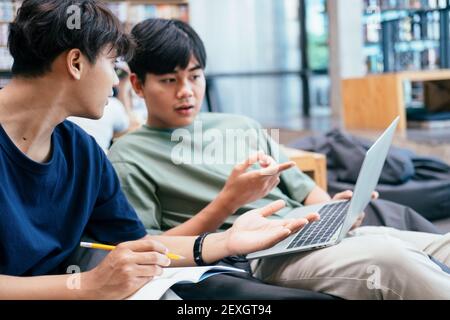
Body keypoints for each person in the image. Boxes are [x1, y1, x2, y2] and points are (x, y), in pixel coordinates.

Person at [108, 18, 450, 300]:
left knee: (442, 246)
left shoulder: (239, 125)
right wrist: (229, 201)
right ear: (137, 85)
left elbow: (303, 190)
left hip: (313, 233)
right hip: (258, 256)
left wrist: (337, 210)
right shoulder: (129, 156)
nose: (186, 91)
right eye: (169, 80)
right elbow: (149, 248)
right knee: (392, 262)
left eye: (195, 76)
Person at [0, 0, 318, 300]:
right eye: (113, 65)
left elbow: (138, 245)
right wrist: (86, 285)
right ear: (76, 63)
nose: (114, 82)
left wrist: (226, 240)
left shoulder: (82, 152)